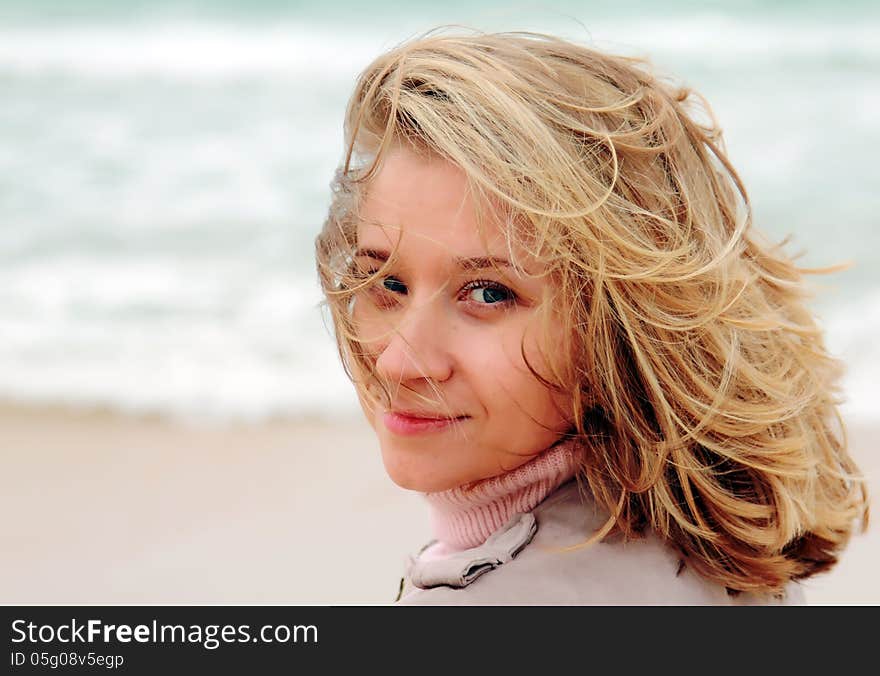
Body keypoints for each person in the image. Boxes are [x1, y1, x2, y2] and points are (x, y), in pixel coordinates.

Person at [315, 29, 869, 604]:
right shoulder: (715, 553)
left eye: (487, 295)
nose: (402, 360)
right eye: (386, 282)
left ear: (620, 327)